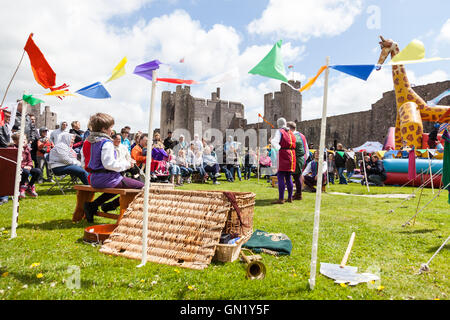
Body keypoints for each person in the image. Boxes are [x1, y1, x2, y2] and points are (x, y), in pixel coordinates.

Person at [82, 113, 142, 222]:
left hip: (93, 178)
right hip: (107, 178)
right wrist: (128, 164)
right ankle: (110, 206)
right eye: (110, 128)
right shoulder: (106, 143)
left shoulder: (87, 142)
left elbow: (84, 162)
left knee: (117, 187)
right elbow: (109, 164)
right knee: (142, 188)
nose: (112, 131)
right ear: (104, 129)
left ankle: (93, 205)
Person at [271, 118, 296, 204]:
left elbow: (274, 142)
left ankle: (281, 198)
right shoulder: (291, 132)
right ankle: (290, 198)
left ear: (278, 124)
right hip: (291, 155)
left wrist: (278, 148)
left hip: (283, 154)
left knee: (280, 176)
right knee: (288, 177)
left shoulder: (280, 131)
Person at [11, 134, 42, 199]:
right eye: (22, 139)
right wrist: (23, 167)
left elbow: (30, 160)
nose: (24, 141)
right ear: (16, 141)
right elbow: (14, 161)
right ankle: (21, 188)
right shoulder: (13, 149)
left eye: (25, 139)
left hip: (27, 167)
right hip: (17, 168)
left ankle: (29, 187)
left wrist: (30, 166)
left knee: (38, 171)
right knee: (26, 172)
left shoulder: (27, 149)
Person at [287, 121, 305, 201]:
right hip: (300, 158)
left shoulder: (294, 136)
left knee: (296, 177)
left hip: (297, 159)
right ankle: (298, 193)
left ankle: (298, 194)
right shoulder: (300, 135)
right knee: (297, 176)